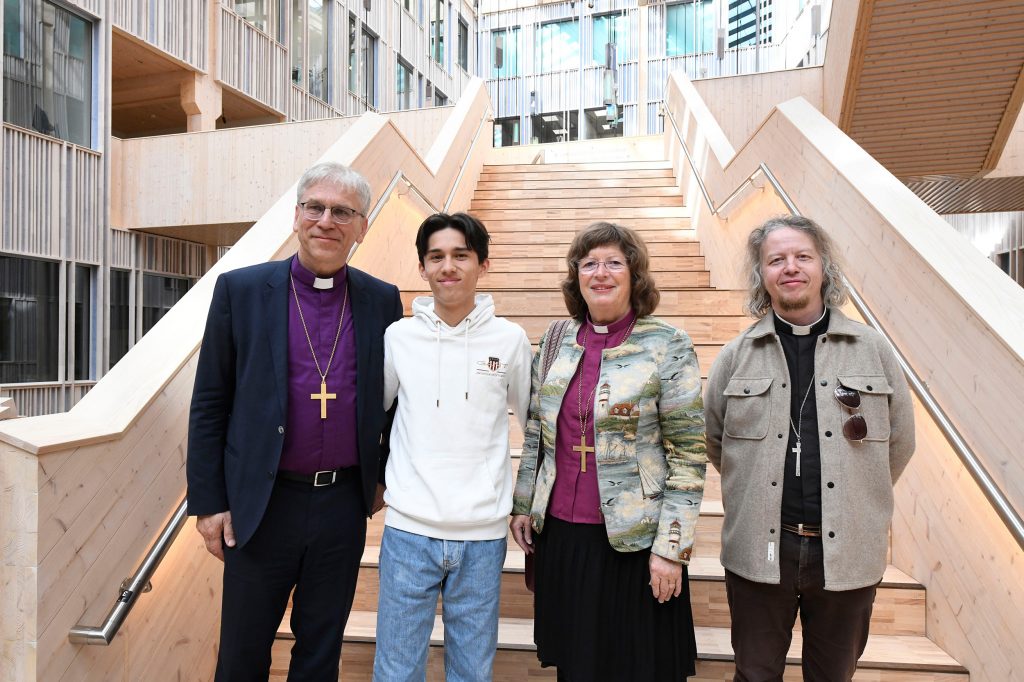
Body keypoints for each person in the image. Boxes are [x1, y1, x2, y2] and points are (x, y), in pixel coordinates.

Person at [186, 161, 404, 681]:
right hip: (262, 503)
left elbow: (399, 401)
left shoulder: (381, 299)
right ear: (296, 216)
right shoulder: (241, 291)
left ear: (362, 227)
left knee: (319, 653)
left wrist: (381, 475)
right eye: (316, 207)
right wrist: (209, 502)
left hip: (341, 505)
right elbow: (210, 400)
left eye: (343, 212)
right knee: (242, 654)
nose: (326, 221)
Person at [704, 215, 916, 681]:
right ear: (762, 274)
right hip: (760, 551)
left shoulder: (872, 349)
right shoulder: (736, 356)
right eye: (776, 259)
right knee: (754, 674)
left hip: (848, 551)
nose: (790, 267)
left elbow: (899, 442)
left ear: (824, 267)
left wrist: (859, 495)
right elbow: (717, 442)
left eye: (803, 256)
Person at [510, 221, 707, 681]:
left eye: (614, 263)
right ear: (576, 276)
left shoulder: (667, 344)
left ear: (634, 274)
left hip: (635, 540)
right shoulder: (556, 342)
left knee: (638, 668)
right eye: (589, 264)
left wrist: (671, 548)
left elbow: (689, 454)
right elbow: (537, 432)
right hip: (563, 536)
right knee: (576, 666)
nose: (601, 273)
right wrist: (523, 505)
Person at [372, 212, 532, 681]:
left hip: (482, 535)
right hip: (408, 530)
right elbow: (374, 417)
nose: (448, 266)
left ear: (482, 264)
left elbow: (537, 427)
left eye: (461, 255)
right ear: (422, 267)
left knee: (471, 672)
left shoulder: (510, 340)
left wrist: (526, 503)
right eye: (436, 256)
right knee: (397, 670)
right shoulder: (398, 337)